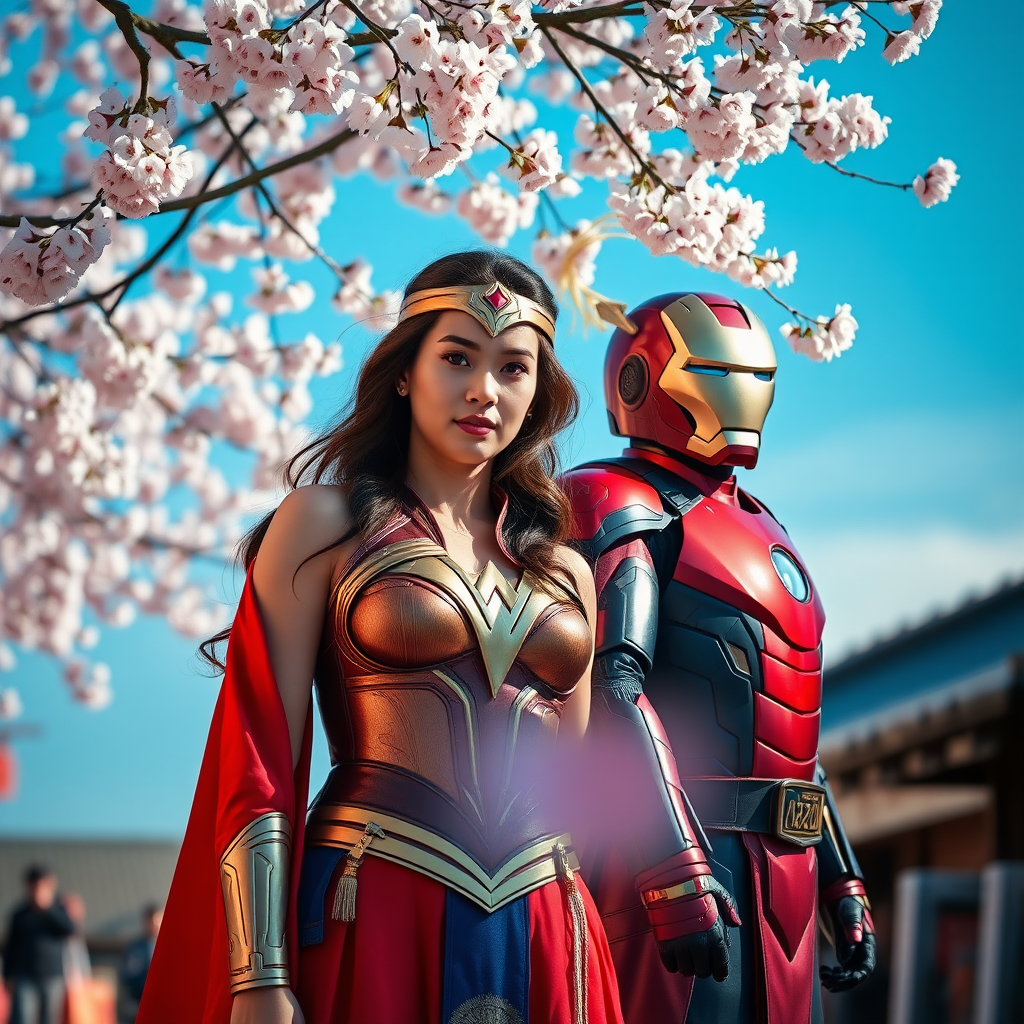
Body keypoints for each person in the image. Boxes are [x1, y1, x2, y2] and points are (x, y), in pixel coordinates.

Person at [137, 251, 624, 1024]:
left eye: (512, 368)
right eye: (457, 357)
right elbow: (259, 745)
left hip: (547, 922)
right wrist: (257, 975)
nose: (482, 390)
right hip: (376, 899)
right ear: (405, 371)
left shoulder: (568, 571)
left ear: (538, 392)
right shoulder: (322, 525)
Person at [562, 291, 875, 1024]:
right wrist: (673, 871)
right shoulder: (618, 499)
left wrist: (840, 879)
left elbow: (783, 725)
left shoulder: (762, 522)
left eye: (755, 373)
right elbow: (612, 687)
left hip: (783, 872)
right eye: (708, 367)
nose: (738, 391)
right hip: (670, 858)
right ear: (641, 380)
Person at [2, 865, 76, 1024]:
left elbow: (70, 930)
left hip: (53, 976)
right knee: (22, 1018)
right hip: (24, 977)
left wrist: (47, 908)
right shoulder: (20, 914)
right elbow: (11, 947)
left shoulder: (58, 910)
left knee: (49, 1019)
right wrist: (7, 976)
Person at [118, 904, 162, 1023]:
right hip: (139, 1000)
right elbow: (128, 975)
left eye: (158, 920)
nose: (154, 924)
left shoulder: (169, 947)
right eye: (151, 921)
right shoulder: (135, 948)